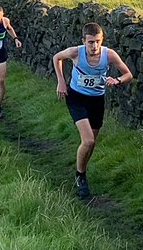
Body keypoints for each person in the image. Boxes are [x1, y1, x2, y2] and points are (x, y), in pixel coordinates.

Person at [53, 22, 132, 199]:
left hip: (97, 101)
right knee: (88, 141)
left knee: (92, 143)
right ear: (84, 41)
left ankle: (83, 171)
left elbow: (128, 74)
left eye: (97, 41)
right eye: (90, 42)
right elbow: (57, 57)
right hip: (76, 98)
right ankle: (80, 176)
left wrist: (117, 80)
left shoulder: (109, 55)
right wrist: (61, 81)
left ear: (102, 40)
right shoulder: (75, 52)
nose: (94, 46)